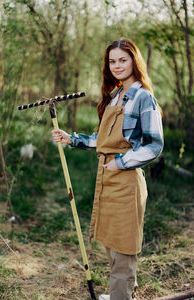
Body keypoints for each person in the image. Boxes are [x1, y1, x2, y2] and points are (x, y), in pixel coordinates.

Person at [52, 38, 164, 300]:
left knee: (125, 248)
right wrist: (73, 139)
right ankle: (122, 295)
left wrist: (120, 162)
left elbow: (154, 145)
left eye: (123, 60)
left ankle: (121, 296)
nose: (117, 66)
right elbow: (103, 139)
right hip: (106, 178)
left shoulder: (143, 97)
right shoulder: (115, 95)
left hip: (126, 181)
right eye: (112, 61)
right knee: (111, 244)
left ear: (134, 62)